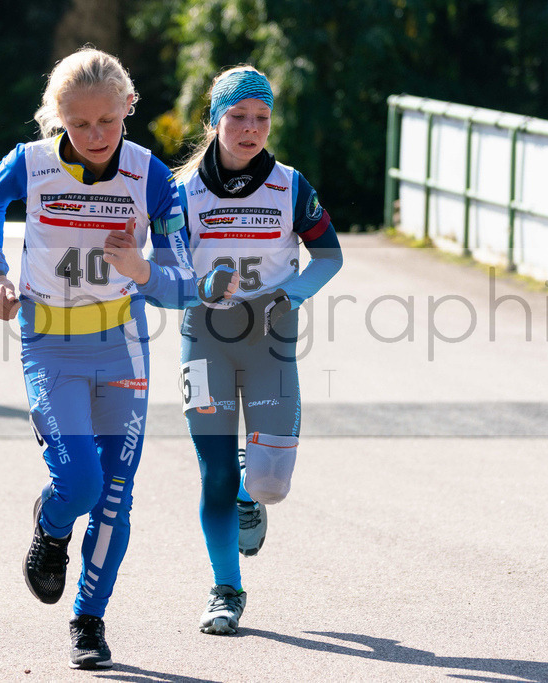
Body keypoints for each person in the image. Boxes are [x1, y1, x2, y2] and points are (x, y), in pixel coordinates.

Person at [0, 47, 230, 670]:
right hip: (50, 346)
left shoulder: (151, 177)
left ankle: (89, 621)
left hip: (123, 348)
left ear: (128, 110)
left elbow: (183, 278)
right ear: (57, 116)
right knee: (80, 482)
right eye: (79, 123)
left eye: (107, 122)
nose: (93, 136)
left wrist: (145, 269)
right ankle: (53, 521)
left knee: (115, 496)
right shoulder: (31, 165)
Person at [172, 65, 343, 635]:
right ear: (215, 120)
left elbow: (329, 256)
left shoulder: (291, 185)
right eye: (238, 117)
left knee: (270, 485)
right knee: (213, 474)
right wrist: (195, 287)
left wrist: (289, 294)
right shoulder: (181, 192)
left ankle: (253, 488)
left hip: (270, 342)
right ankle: (226, 590)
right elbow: (162, 266)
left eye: (262, 118)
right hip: (204, 340)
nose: (250, 129)